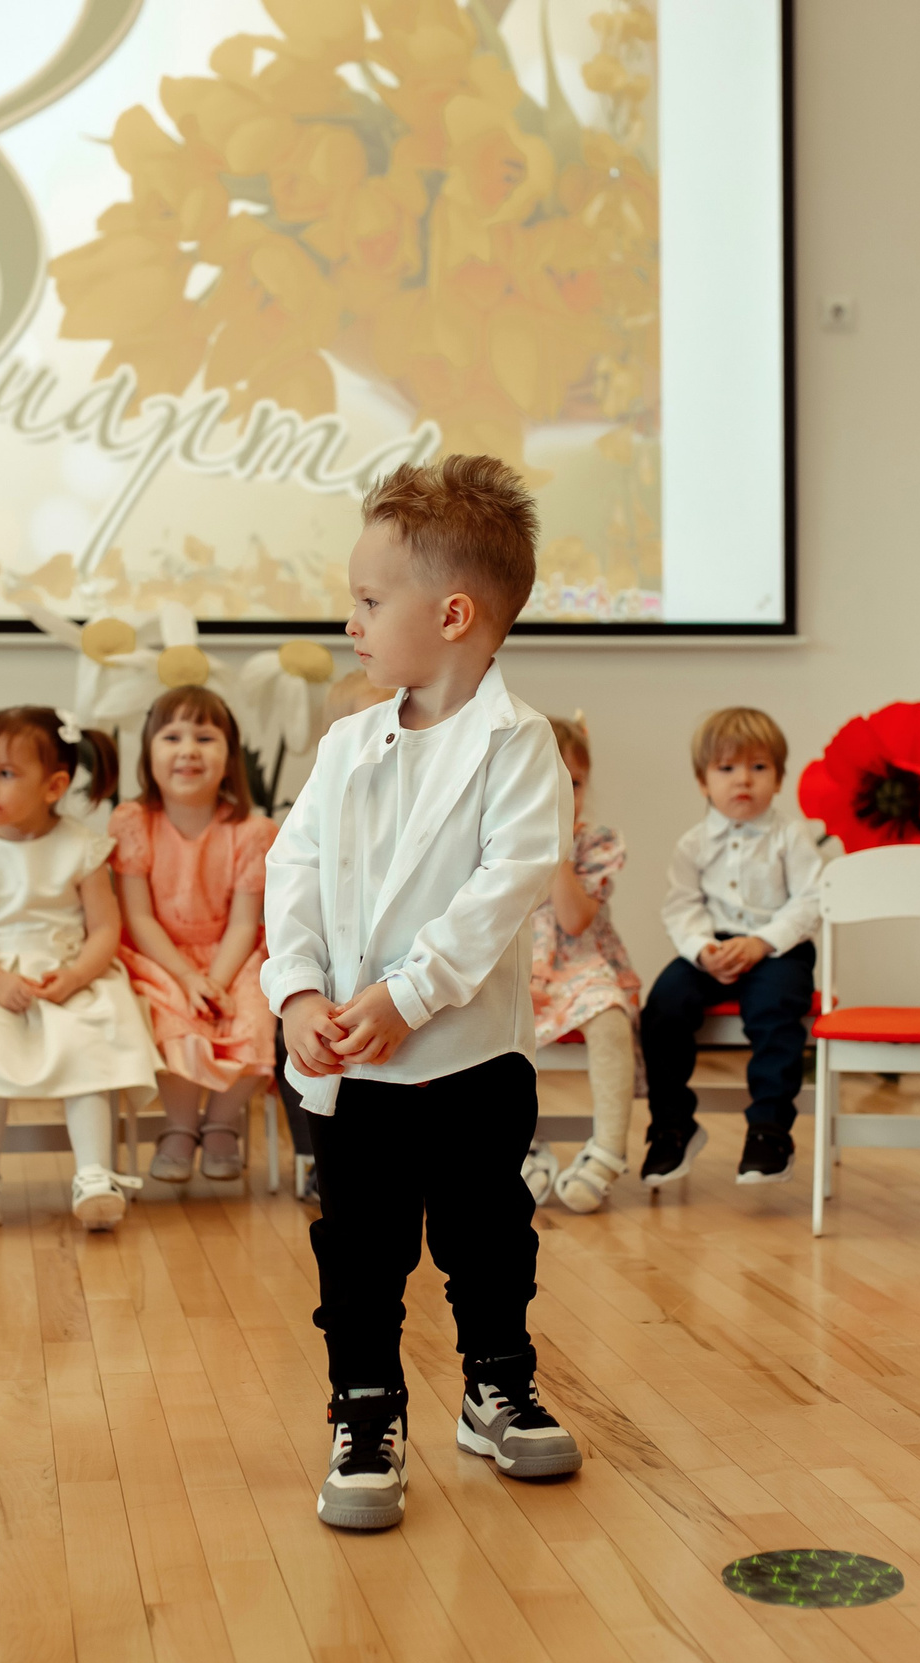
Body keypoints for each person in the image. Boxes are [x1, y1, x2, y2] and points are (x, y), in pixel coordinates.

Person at [264, 454, 580, 1531]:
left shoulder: (519, 747)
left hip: (469, 1059)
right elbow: (291, 872)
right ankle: (365, 1409)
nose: (349, 620)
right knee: (360, 1243)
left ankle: (496, 1382)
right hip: (352, 1065)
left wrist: (406, 995)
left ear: (451, 614)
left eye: (366, 601)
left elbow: (505, 889)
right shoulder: (346, 746)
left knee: (487, 1230)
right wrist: (299, 993)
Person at [0, 707, 160, 1231]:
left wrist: (74, 977)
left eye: (5, 774)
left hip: (70, 975)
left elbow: (104, 931)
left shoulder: (82, 848)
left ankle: (95, 1173)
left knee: (88, 1043)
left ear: (54, 786)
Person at [637, 707, 826, 1188]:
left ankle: (769, 1132)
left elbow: (812, 900)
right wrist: (703, 950)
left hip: (778, 949)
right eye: (727, 769)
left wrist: (763, 942)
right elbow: (681, 907)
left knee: (774, 1009)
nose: (743, 780)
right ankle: (672, 1126)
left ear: (779, 778)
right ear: (703, 781)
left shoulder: (792, 836)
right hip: (712, 948)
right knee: (663, 1007)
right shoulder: (693, 844)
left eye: (758, 768)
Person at [111, 685, 277, 1185]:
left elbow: (246, 923)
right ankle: (180, 1127)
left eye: (205, 738)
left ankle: (223, 1124)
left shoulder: (252, 830)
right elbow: (138, 918)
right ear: (149, 753)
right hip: (160, 955)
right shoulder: (133, 821)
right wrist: (187, 977)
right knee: (171, 1018)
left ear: (229, 758)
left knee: (254, 1016)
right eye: (172, 736)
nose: (188, 749)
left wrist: (218, 980)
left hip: (234, 952)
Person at [274, 668, 398, 1211]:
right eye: (361, 729)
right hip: (334, 1031)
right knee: (355, 1222)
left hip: (412, 1024)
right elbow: (290, 902)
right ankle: (312, 1163)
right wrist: (300, 993)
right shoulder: (315, 819)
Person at [525, 713, 642, 1214]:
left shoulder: (595, 842)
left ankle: (608, 1152)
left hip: (583, 964)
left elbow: (574, 920)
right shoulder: (494, 837)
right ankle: (518, 1149)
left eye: (572, 781)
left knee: (610, 1015)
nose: (561, 791)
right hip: (516, 965)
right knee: (480, 1023)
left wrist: (557, 852)